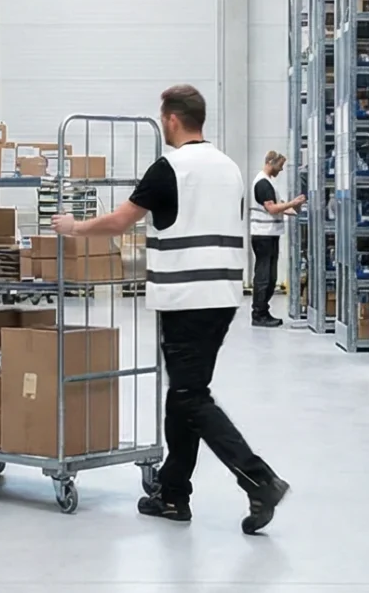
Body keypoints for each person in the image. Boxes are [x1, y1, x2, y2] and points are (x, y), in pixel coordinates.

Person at [53, 84, 292, 533]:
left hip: (185, 298)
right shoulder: (230, 168)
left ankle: (259, 480)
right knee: (182, 393)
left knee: (190, 396)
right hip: (221, 297)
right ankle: (173, 494)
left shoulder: (169, 168)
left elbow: (120, 220)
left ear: (171, 120)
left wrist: (74, 227)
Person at [246, 150, 304, 327]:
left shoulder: (268, 182)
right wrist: (292, 203)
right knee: (264, 276)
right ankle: (259, 314)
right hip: (263, 235)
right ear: (271, 163)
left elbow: (279, 207)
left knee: (270, 276)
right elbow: (272, 209)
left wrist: (295, 208)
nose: (281, 170)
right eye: (279, 166)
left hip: (269, 234)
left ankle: (263, 311)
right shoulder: (263, 183)